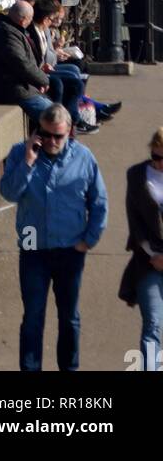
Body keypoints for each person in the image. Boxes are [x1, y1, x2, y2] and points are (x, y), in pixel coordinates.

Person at [0, 103, 108, 372]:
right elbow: (9, 194)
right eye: (45, 134)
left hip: (70, 249)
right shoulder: (19, 153)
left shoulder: (84, 158)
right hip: (32, 247)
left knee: (69, 317)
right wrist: (28, 161)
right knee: (33, 317)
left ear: (69, 132)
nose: (50, 141)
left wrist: (88, 240)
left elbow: (99, 202)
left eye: (57, 136)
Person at [118, 127, 163, 370]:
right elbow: (135, 223)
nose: (159, 164)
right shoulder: (136, 176)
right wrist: (153, 254)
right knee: (153, 323)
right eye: (156, 157)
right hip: (148, 262)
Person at [28, 0, 96, 134]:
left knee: (76, 79)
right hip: (39, 72)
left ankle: (72, 120)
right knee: (63, 81)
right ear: (46, 18)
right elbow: (42, 58)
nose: (53, 22)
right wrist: (49, 60)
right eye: (52, 18)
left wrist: (54, 53)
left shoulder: (43, 30)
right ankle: (61, 121)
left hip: (44, 68)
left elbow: (46, 55)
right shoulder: (33, 32)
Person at [0, 0, 52, 122]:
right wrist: (43, 80)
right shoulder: (7, 33)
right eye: (30, 19)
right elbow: (21, 64)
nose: (30, 22)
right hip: (12, 91)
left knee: (57, 109)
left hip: (21, 88)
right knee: (55, 118)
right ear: (23, 19)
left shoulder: (9, 29)